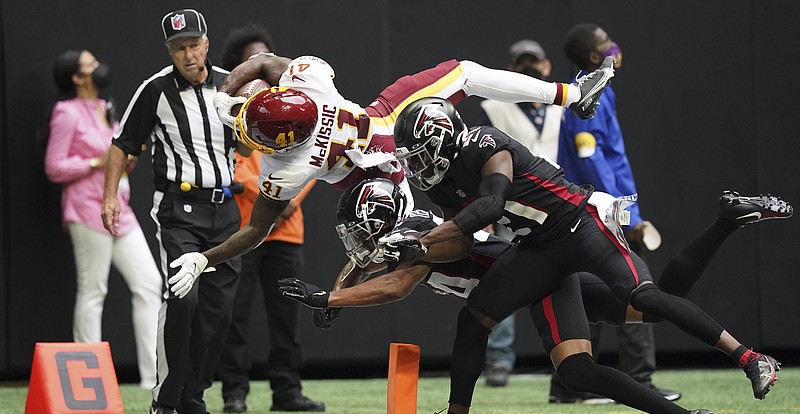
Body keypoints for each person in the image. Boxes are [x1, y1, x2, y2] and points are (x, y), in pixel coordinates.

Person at [384, 97, 784, 414]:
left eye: (420, 154)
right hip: (538, 248)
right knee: (483, 325)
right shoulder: (443, 184)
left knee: (643, 297)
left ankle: (750, 358)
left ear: (443, 138)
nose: (417, 165)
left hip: (579, 222)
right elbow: (463, 239)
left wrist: (423, 241)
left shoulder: (484, 144)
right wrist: (425, 247)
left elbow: (490, 206)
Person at [279, 178, 791, 414]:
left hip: (536, 277)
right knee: (660, 300)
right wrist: (343, 285)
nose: (357, 244)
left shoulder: (419, 242)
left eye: (361, 233)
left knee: (576, 369)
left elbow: (396, 284)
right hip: (532, 277)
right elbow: (376, 258)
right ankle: (726, 221)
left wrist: (329, 299)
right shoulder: (409, 227)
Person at [165, 48, 616, 303]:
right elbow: (265, 61)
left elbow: (257, 230)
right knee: (466, 73)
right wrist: (230, 97)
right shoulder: (308, 80)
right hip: (387, 119)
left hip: (386, 179)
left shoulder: (287, 165)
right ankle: (571, 93)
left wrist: (206, 258)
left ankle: (519, 279)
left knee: (416, 254)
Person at [101, 9, 240, 414]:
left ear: (206, 43)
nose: (187, 54)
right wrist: (109, 197)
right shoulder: (156, 90)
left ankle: (194, 401)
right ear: (170, 52)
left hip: (225, 209)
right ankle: (165, 401)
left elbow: (250, 146)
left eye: (193, 44)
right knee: (184, 298)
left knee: (218, 310)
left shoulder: (231, 84)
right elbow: (122, 144)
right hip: (180, 211)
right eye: (178, 48)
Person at [553, 23, 679, 404]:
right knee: (635, 288)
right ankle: (630, 377)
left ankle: (569, 385)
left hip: (598, 209)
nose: (614, 47)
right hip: (599, 211)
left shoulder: (600, 92)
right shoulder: (585, 97)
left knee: (592, 292)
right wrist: (626, 214)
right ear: (595, 57)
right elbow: (592, 160)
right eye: (606, 43)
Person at [215, 23, 324, 414]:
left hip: (287, 232)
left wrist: (289, 194)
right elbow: (233, 164)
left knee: (286, 316)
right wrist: (271, 195)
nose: (257, 64)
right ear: (236, 67)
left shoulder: (296, 102)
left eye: (263, 57)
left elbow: (315, 156)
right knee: (236, 314)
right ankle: (234, 391)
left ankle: (287, 391)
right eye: (248, 60)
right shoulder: (233, 110)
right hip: (245, 227)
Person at [44, 49, 161, 390]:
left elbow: (120, 151)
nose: (98, 68)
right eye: (90, 65)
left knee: (149, 285)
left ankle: (152, 378)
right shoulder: (66, 112)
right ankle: (89, 382)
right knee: (94, 290)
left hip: (121, 210)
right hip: (87, 209)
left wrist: (123, 162)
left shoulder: (106, 107)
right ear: (77, 78)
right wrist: (97, 162)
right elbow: (54, 166)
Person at [477, 39, 565, 387]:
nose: (529, 68)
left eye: (535, 62)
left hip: (559, 207)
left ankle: (567, 356)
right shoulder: (493, 107)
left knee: (566, 282)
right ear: (511, 71)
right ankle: (498, 359)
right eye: (521, 64)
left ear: (546, 67)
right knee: (502, 280)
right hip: (513, 208)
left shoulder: (562, 110)